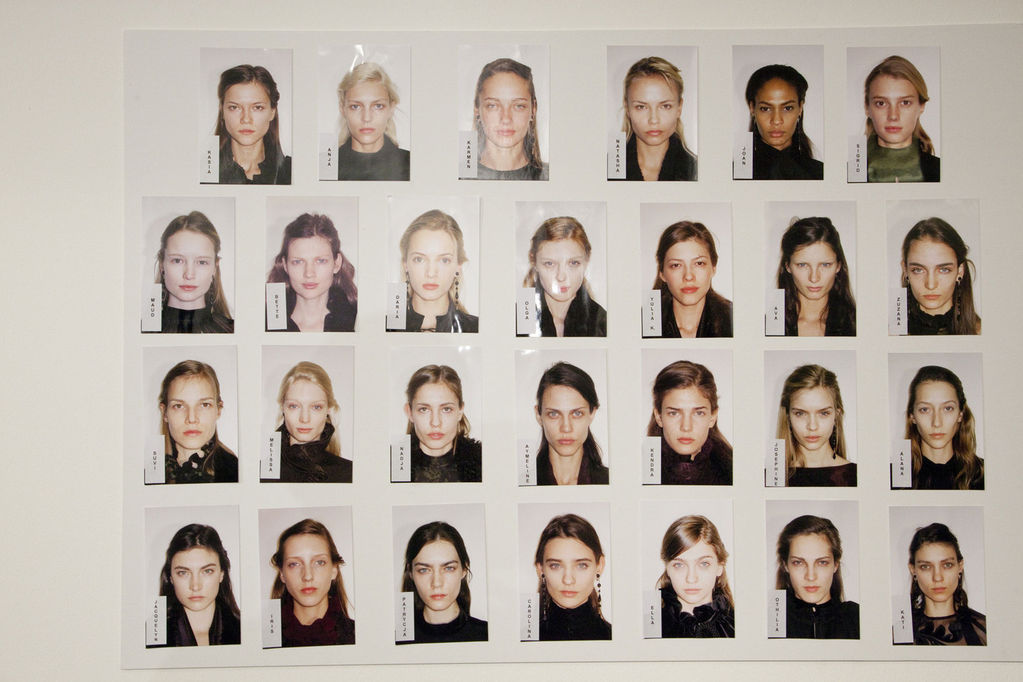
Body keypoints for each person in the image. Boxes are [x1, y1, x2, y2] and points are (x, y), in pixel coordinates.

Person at [398, 521, 488, 643]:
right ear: (411, 573)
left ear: (464, 569)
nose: (436, 583)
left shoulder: (488, 635)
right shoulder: (396, 641)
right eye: (424, 570)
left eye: (449, 568)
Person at [262, 362, 352, 483]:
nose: (304, 419)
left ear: (328, 409)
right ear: (283, 408)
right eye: (294, 406)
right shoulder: (260, 473)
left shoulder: (350, 473)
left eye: (316, 407)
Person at [270, 519, 355, 647]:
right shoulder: (263, 639)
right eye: (294, 564)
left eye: (319, 562)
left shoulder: (359, 636)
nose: (307, 576)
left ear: (334, 570)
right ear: (282, 574)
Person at [152, 524, 240, 647]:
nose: (195, 586)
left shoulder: (246, 633)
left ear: (222, 574)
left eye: (207, 571)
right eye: (183, 573)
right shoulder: (149, 638)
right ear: (171, 578)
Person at [267, 213, 358, 332]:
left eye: (320, 261)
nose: (309, 273)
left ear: (336, 264)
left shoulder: (358, 320)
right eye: (298, 262)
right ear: (285, 265)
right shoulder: (265, 322)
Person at [647, 361, 732, 485]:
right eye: (674, 413)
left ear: (712, 417)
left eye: (698, 413)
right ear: (659, 417)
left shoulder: (739, 473)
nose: (686, 427)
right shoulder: (635, 472)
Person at [775, 515, 859, 639]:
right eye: (798, 562)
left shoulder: (857, 618)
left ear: (835, 565)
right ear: (786, 565)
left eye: (822, 562)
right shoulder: (769, 620)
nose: (810, 576)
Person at [149, 211, 233, 334]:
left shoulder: (234, 331)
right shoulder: (140, 332)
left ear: (215, 267)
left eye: (202, 262)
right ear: (162, 265)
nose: (189, 275)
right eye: (177, 260)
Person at [521, 217, 606, 337]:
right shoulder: (516, 319)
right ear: (533, 261)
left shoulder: (603, 324)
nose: (561, 277)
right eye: (549, 263)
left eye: (573, 263)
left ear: (587, 260)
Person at [396, 210, 478, 333]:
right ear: (405, 265)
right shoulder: (384, 328)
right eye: (419, 259)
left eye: (444, 260)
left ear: (458, 266)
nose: (430, 273)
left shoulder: (476, 329)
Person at [775, 364, 856, 487]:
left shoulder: (858, 477)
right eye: (800, 413)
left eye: (823, 413)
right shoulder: (770, 480)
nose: (812, 426)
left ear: (836, 415)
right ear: (788, 417)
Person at [617, 56, 696, 181]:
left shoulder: (700, 173)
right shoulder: (604, 170)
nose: (653, 120)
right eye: (641, 107)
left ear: (679, 108)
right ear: (627, 108)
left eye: (665, 106)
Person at [533, 514, 612, 641]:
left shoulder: (617, 638)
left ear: (600, 566)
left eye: (581, 565)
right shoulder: (523, 639)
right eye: (555, 565)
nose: (568, 580)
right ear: (540, 569)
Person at [904, 365, 984, 490]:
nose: (937, 423)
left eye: (947, 408)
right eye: (925, 409)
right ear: (912, 416)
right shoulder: (895, 478)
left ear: (960, 414)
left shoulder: (984, 475)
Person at [158, 360, 238, 484]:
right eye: (178, 406)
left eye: (204, 405)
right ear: (164, 412)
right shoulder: (146, 473)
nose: (191, 418)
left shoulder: (235, 472)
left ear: (218, 410)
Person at [906, 523, 986, 645]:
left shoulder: (985, 630)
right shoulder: (900, 634)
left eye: (947, 565)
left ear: (960, 566)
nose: (937, 577)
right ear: (913, 570)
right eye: (926, 566)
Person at [775, 217, 856, 336]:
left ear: (838, 266)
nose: (814, 278)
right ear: (788, 267)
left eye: (825, 265)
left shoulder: (859, 326)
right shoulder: (769, 327)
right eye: (802, 265)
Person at [863, 55, 939, 182]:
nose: (893, 116)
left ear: (921, 106)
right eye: (881, 103)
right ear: (867, 108)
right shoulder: (848, 175)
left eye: (905, 103)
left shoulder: (941, 171)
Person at [649, 221, 732, 338]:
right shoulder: (643, 325)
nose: (688, 276)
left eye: (699, 263)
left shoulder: (736, 320)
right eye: (676, 265)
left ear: (713, 268)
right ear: (662, 273)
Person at [656, 515, 734, 638]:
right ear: (668, 568)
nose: (691, 578)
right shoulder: (648, 627)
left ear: (720, 566)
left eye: (704, 564)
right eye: (679, 565)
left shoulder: (739, 626)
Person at [900, 218, 981, 335]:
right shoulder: (889, 336)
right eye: (918, 270)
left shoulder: (983, 333)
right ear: (905, 270)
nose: (931, 285)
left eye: (943, 270)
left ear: (960, 271)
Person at [471, 58, 548, 180]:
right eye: (493, 105)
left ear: (533, 110)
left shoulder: (551, 176)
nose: (506, 119)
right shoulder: (459, 176)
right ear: (477, 110)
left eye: (518, 106)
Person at [743, 64, 823, 180]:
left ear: (800, 108)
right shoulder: (734, 175)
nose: (776, 121)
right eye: (765, 109)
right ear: (752, 108)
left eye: (787, 108)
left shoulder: (820, 173)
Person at [403, 365, 482, 482]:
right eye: (424, 409)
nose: (435, 423)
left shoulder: (484, 463)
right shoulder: (392, 464)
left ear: (460, 411)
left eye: (446, 409)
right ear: (410, 413)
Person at [533, 362, 608, 485]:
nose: (566, 428)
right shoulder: (518, 485)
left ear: (592, 413)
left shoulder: (612, 482)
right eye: (554, 414)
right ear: (538, 415)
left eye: (577, 413)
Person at [215, 64, 291, 184]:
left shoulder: (293, 173)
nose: (246, 119)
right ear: (222, 111)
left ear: (272, 112)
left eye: (257, 107)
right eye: (234, 107)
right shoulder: (200, 172)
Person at [336, 62, 410, 181]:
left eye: (378, 106)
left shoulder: (411, 165)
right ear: (342, 109)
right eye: (355, 106)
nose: (366, 118)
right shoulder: (325, 167)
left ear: (391, 108)